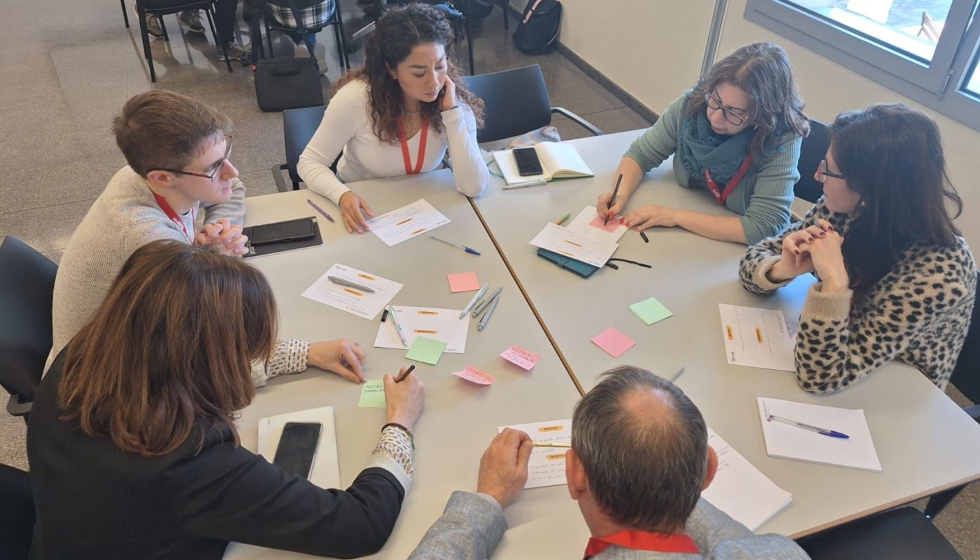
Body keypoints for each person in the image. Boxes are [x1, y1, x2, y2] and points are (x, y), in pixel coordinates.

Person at [29, 240, 425, 558]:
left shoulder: (86, 355)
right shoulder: (189, 460)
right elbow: (359, 526)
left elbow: (178, 362)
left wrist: (304, 352)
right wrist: (399, 426)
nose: (244, 358)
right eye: (239, 349)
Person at [51, 90, 367, 387]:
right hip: (109, 377)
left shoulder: (149, 173)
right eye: (215, 167)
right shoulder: (146, 238)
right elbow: (202, 364)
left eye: (226, 155)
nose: (231, 171)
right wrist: (306, 353)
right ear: (162, 178)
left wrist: (219, 234)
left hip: (148, 329)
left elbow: (233, 189)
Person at [409, 367, 808, 559]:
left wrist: (487, 499)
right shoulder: (783, 554)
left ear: (575, 474)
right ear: (708, 471)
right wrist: (668, 472)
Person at [739, 103, 976, 394]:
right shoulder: (845, 209)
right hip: (843, 344)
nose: (818, 176)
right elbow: (752, 260)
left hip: (897, 388)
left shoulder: (938, 274)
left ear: (870, 188)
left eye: (829, 170)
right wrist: (780, 269)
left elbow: (820, 377)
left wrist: (835, 285)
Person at [297, 3, 489, 234]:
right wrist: (341, 195)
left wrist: (452, 113)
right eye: (419, 73)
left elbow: (474, 186)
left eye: (440, 66)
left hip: (425, 208)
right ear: (391, 69)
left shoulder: (451, 96)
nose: (434, 82)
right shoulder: (357, 100)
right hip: (365, 209)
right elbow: (309, 163)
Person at [596, 43, 809, 245]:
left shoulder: (780, 139)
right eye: (715, 101)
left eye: (734, 112)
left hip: (728, 248)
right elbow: (641, 155)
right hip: (689, 220)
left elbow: (765, 226)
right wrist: (620, 194)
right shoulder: (692, 104)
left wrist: (673, 216)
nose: (716, 118)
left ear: (762, 116)